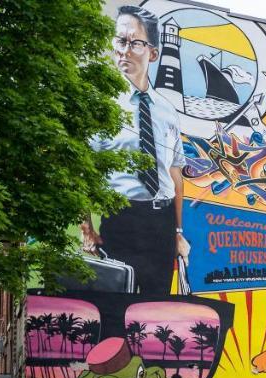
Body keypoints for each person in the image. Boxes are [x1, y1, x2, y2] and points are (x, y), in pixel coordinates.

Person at [80, 6, 189, 296]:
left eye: (135, 43)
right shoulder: (101, 107)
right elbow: (83, 171)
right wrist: (86, 227)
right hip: (121, 219)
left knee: (156, 313)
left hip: (161, 223)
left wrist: (178, 233)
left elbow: (175, 175)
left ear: (152, 53)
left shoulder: (167, 111)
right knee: (117, 309)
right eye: (120, 41)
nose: (125, 51)